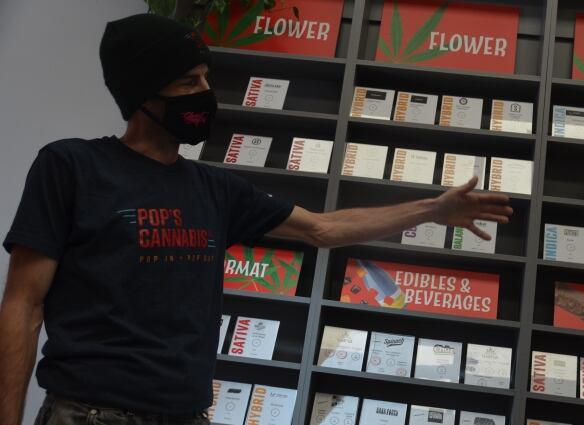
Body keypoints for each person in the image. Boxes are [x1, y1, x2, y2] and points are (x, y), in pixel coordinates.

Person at [0, 13, 512, 425]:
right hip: (91, 413)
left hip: (186, 414)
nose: (205, 93)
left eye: (206, 78)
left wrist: (435, 210)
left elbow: (324, 228)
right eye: (187, 81)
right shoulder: (72, 166)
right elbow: (23, 303)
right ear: (142, 94)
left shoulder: (215, 188)